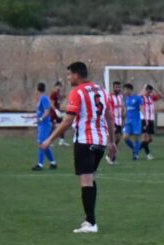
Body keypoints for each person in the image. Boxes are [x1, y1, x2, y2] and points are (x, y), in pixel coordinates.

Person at [41, 61, 117, 234]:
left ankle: (91, 223)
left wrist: (49, 139)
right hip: (100, 141)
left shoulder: (77, 92)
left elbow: (68, 120)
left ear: (76, 75)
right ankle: (89, 220)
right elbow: (110, 117)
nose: (68, 78)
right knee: (91, 179)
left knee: (86, 181)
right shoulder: (101, 90)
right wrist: (111, 142)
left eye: (69, 75)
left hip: (84, 140)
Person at [32, 82, 57, 171]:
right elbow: (41, 112)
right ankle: (53, 163)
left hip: (45, 125)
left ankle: (40, 164)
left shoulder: (44, 98)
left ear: (37, 89)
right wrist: (32, 117)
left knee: (41, 144)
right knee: (44, 145)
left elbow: (47, 111)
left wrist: (41, 119)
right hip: (41, 125)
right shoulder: (40, 99)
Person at [122, 83, 145, 161]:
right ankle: (135, 149)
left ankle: (136, 154)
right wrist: (123, 118)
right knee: (125, 137)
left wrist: (143, 117)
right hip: (128, 121)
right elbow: (126, 109)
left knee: (136, 137)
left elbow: (142, 108)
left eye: (125, 89)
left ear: (129, 89)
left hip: (136, 121)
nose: (124, 91)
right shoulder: (126, 99)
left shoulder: (137, 98)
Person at [140, 84, 161, 160]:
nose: (148, 92)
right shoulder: (142, 97)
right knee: (145, 137)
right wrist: (143, 87)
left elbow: (160, 95)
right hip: (144, 119)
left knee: (150, 139)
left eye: (150, 91)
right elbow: (139, 96)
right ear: (145, 90)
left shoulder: (152, 97)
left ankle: (137, 149)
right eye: (147, 90)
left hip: (151, 119)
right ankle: (148, 154)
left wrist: (155, 88)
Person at [108, 80, 124, 164]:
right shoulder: (110, 97)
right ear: (113, 88)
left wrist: (123, 116)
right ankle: (111, 158)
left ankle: (110, 155)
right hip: (113, 121)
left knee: (118, 139)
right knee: (113, 140)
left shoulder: (121, 96)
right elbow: (109, 110)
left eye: (119, 87)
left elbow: (121, 108)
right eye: (116, 87)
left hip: (119, 121)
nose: (117, 88)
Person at [49, 80, 68, 147]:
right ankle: (49, 141)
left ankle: (61, 141)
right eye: (59, 86)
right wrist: (56, 111)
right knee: (53, 127)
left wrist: (64, 97)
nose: (60, 88)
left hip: (58, 113)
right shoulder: (53, 94)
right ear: (56, 86)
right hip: (54, 113)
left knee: (62, 126)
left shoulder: (58, 94)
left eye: (60, 86)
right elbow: (52, 104)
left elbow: (59, 102)